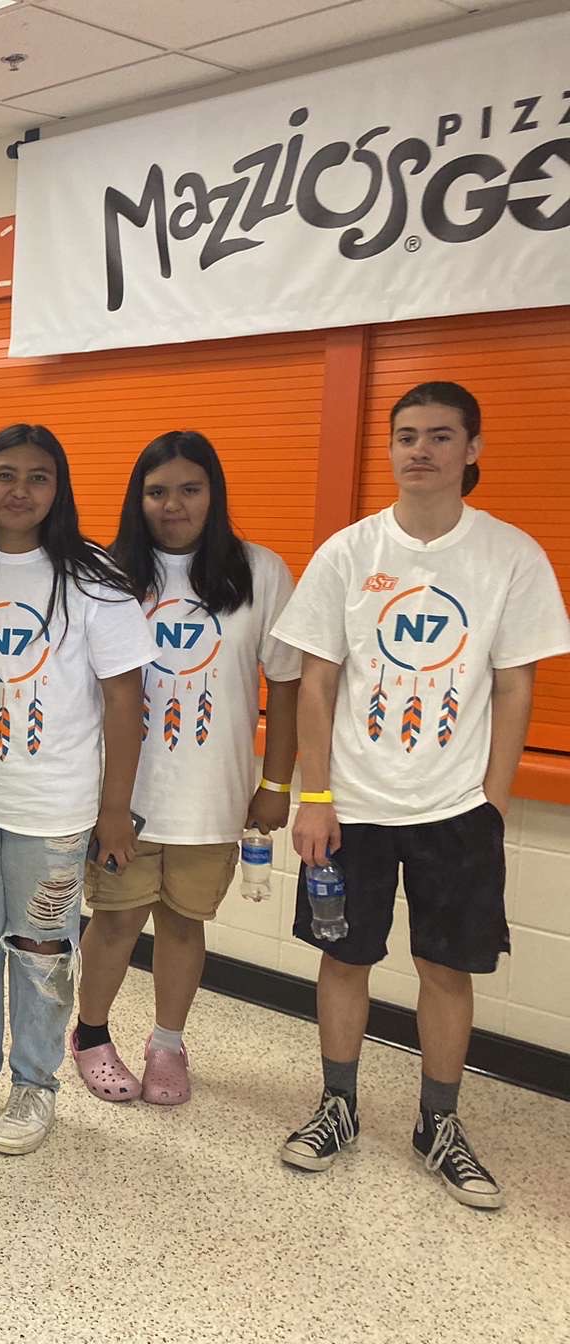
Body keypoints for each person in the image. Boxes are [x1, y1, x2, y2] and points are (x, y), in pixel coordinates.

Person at [271, 381, 570, 1209]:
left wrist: (495, 804)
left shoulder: (510, 556)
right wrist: (315, 794)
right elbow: (317, 682)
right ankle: (338, 1106)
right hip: (353, 807)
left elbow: (515, 688)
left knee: (447, 967)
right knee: (345, 957)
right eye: (407, 435)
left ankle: (438, 1122)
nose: (420, 450)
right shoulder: (349, 552)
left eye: (441, 436)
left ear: (472, 449)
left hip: (455, 809)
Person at [0, 423, 153, 1156]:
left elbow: (127, 702)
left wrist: (115, 811)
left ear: (59, 490)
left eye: (38, 477)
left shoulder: (94, 578)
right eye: (4, 474)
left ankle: (34, 1084)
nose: (19, 490)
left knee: (41, 947)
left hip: (55, 804)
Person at [72, 431, 301, 1106]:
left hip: (214, 793)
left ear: (214, 494)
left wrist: (277, 784)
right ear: (137, 499)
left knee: (182, 922)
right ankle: (90, 1036)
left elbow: (284, 685)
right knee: (114, 920)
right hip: (124, 796)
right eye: (157, 491)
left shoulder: (260, 572)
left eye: (189, 489)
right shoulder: (105, 574)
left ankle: (167, 1043)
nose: (173, 505)